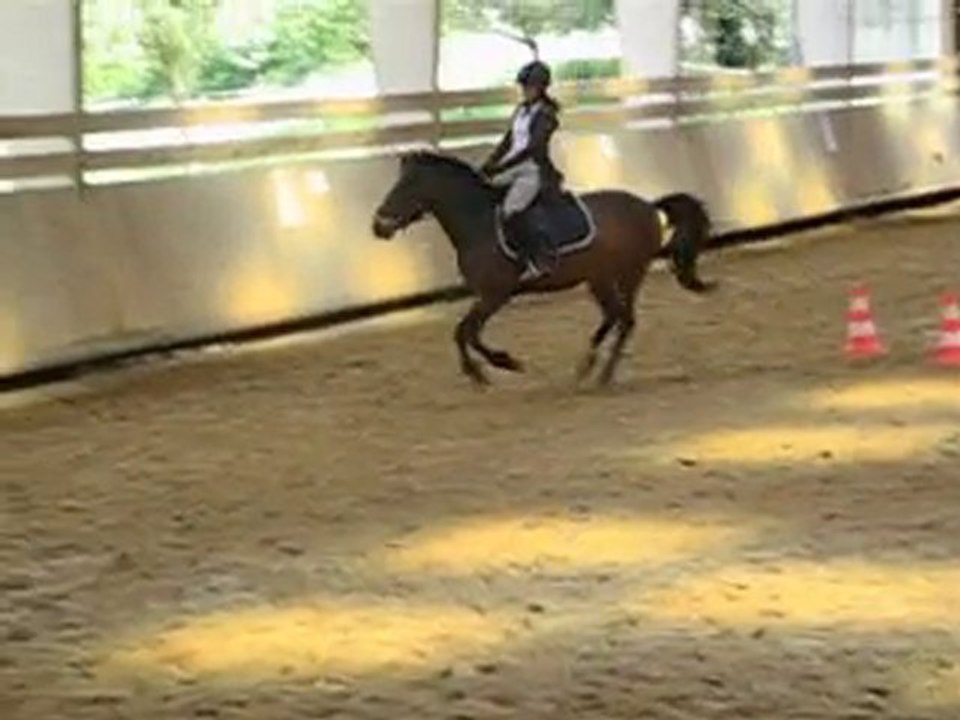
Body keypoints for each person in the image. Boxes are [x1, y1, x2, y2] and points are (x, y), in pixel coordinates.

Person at [481, 60, 564, 278]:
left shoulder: (546, 114)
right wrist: (488, 164)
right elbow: (508, 141)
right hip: (511, 165)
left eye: (530, 87)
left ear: (541, 88)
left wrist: (503, 166)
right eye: (524, 87)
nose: (525, 91)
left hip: (531, 169)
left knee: (511, 211)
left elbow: (532, 148)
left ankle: (537, 258)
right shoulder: (521, 110)